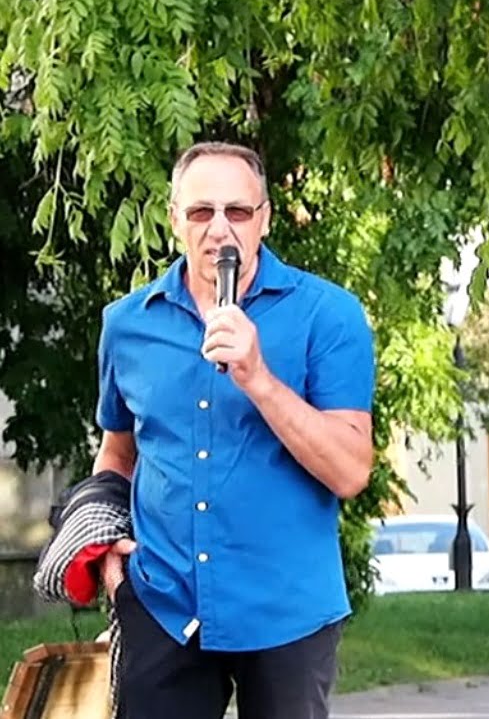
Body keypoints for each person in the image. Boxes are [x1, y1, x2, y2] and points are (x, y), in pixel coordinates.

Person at [93, 141, 375, 719]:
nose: (220, 228)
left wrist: (258, 378)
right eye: (201, 211)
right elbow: (118, 454)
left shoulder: (328, 314)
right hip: (163, 604)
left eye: (238, 212)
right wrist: (106, 558)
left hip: (287, 611)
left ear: (263, 218)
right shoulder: (126, 324)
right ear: (175, 219)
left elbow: (350, 471)